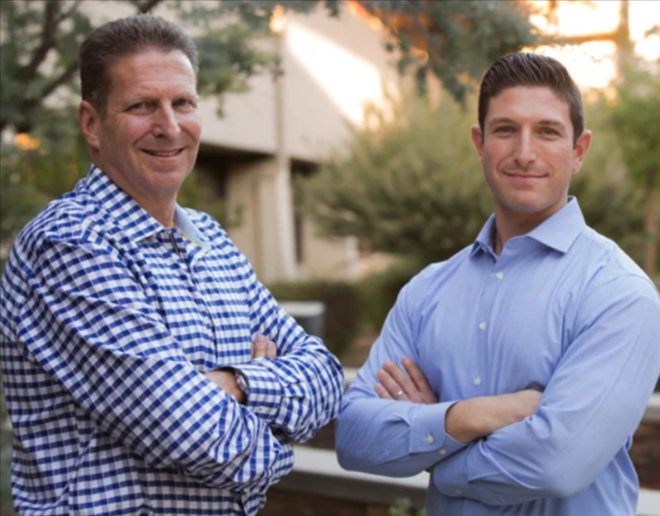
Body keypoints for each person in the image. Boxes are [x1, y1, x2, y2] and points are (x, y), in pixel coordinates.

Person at [0, 15, 343, 516]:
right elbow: (197, 436)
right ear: (92, 123)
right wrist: (277, 424)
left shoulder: (212, 241)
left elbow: (326, 378)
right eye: (142, 106)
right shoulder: (69, 243)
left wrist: (238, 383)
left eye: (182, 103)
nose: (170, 126)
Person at [336, 53, 660, 515]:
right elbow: (353, 436)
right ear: (480, 143)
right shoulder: (427, 290)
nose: (524, 153)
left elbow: (557, 464)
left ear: (579, 150)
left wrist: (432, 445)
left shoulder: (619, 294)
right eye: (506, 129)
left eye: (547, 132)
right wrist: (468, 417)